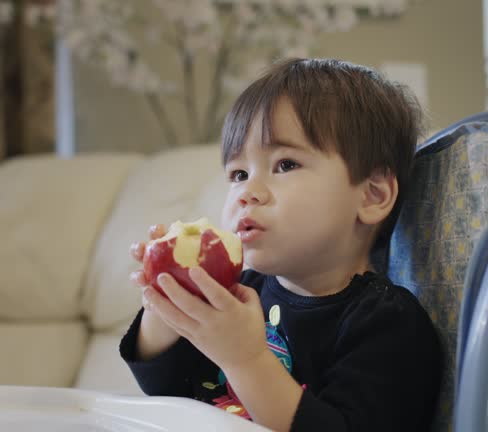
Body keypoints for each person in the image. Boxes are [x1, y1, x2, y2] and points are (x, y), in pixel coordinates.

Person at [119, 58, 442, 432]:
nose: (247, 193)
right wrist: (165, 306)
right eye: (239, 174)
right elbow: (167, 389)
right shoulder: (241, 290)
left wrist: (247, 360)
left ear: (371, 196)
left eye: (285, 164)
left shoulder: (386, 324)